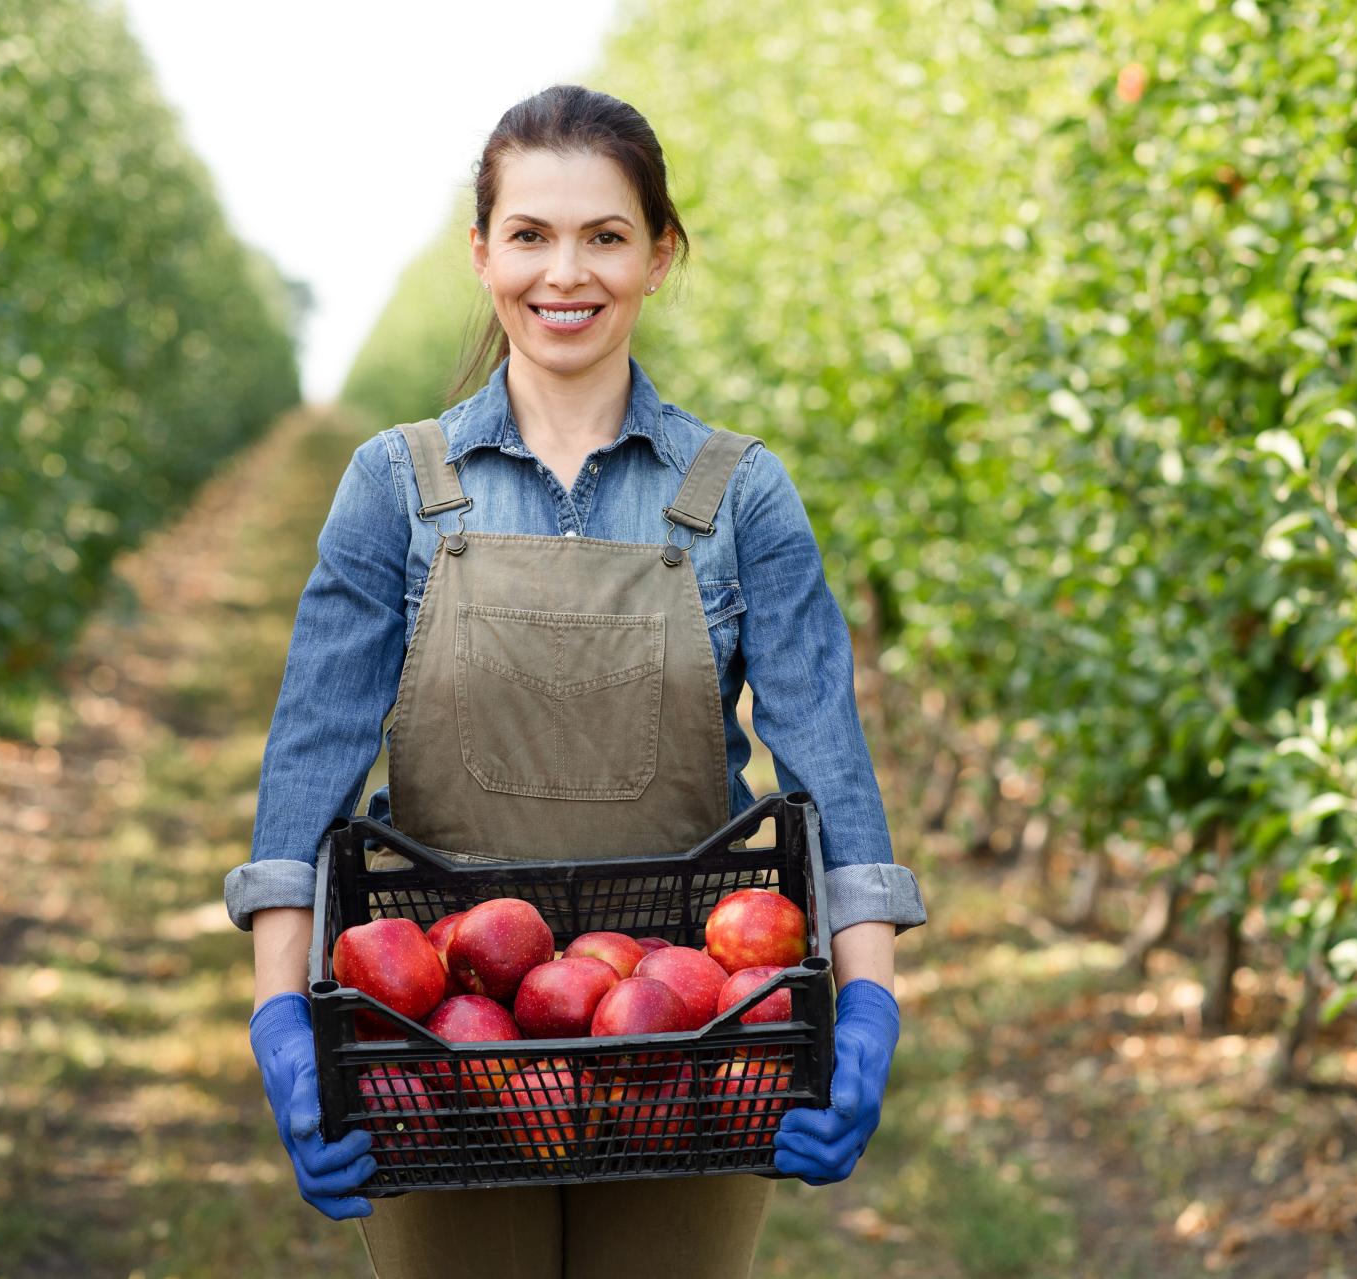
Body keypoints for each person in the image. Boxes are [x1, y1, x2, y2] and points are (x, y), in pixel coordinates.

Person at [227, 83, 927, 1279]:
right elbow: (310, 764)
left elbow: (830, 773)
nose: (568, 273)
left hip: (692, 1024)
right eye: (532, 235)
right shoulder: (395, 489)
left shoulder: (738, 494)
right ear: (483, 253)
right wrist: (283, 1011)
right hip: (438, 1029)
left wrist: (865, 1006)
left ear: (660, 255)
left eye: (606, 236)